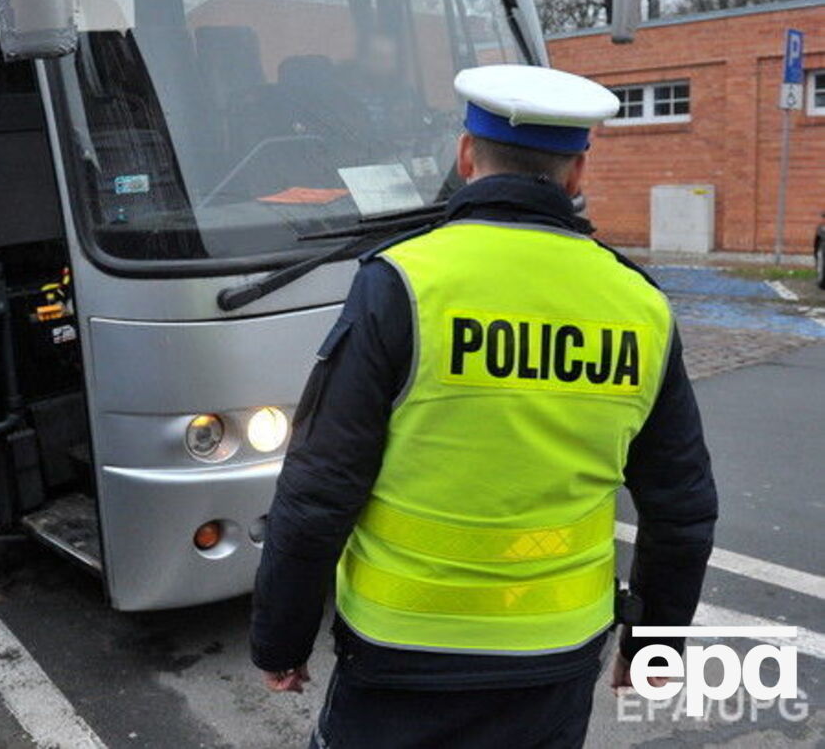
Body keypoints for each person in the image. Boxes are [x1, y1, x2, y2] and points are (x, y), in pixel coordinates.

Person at [250, 64, 717, 748]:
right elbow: (682, 506)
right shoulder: (641, 308)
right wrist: (652, 649)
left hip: (400, 651)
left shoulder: (402, 284)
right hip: (555, 657)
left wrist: (280, 639)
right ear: (577, 172)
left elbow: (319, 489)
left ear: (466, 157)